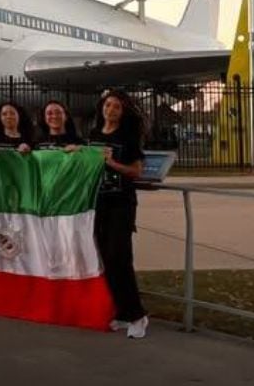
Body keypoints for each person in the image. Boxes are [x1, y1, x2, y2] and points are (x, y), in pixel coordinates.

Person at [88, 89, 149, 339]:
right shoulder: (93, 135)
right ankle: (122, 312)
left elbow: (136, 171)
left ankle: (138, 315)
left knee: (120, 257)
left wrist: (112, 164)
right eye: (107, 105)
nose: (110, 110)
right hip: (99, 204)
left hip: (121, 205)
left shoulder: (128, 137)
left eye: (116, 107)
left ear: (123, 112)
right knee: (106, 259)